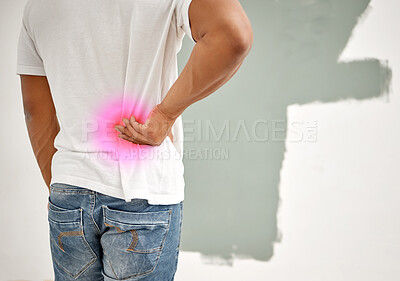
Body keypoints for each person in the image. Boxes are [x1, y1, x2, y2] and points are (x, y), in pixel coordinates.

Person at [16, 0, 253, 279]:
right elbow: (233, 34)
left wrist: (60, 186)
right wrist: (165, 114)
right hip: (143, 192)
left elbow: (35, 112)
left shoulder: (38, 7)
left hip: (69, 196)